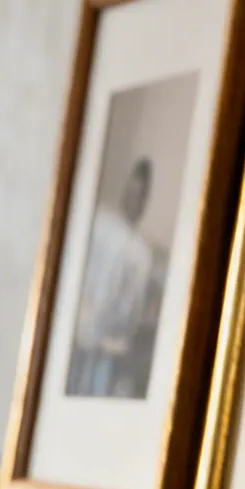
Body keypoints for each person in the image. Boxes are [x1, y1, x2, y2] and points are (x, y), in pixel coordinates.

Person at [68, 156, 162, 398]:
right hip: (79, 333)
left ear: (144, 201)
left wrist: (107, 327)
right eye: (130, 191)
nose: (132, 199)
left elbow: (132, 309)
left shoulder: (142, 253)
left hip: (110, 346)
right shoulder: (100, 224)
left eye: (138, 195)